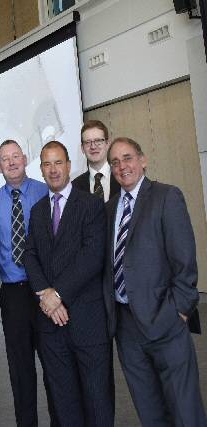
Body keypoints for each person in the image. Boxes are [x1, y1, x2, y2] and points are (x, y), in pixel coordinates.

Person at [104, 137, 206, 425]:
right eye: (115, 162)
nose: (122, 166)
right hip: (126, 328)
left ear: (143, 160)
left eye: (128, 158)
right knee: (150, 413)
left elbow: (185, 264)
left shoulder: (166, 196)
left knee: (186, 412)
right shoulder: (110, 210)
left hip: (166, 321)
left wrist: (179, 312)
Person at [23, 141, 114, 427]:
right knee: (63, 403)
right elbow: (30, 254)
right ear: (41, 169)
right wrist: (47, 298)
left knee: (97, 400)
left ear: (69, 165)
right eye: (47, 164)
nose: (53, 170)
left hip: (87, 322)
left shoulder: (90, 204)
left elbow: (92, 257)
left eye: (58, 162)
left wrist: (58, 294)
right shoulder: (37, 211)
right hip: (51, 325)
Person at [0, 140, 57, 427]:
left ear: (25, 159)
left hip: (46, 294)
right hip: (13, 295)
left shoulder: (43, 193)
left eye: (16, 156)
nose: (11, 162)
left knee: (54, 364)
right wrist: (8, 268)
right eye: (5, 159)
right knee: (20, 368)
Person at [71, 120, 119, 202]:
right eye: (87, 142)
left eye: (98, 141)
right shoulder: (75, 187)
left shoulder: (122, 176)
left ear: (107, 144)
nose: (93, 146)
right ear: (82, 148)